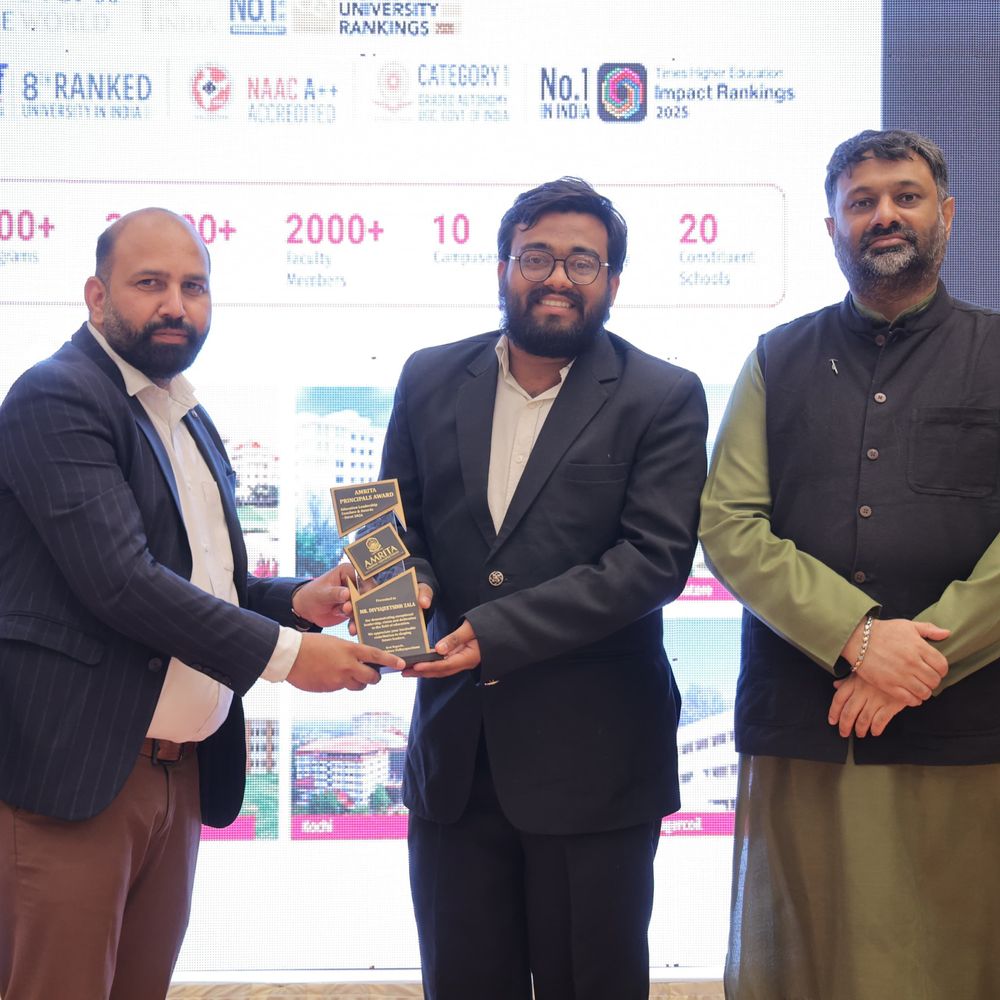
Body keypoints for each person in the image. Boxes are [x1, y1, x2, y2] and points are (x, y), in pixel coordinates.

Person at [0, 208, 403, 1000]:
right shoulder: (57, 396)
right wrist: (290, 657)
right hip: (81, 777)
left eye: (194, 286)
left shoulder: (183, 410)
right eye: (150, 283)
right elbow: (121, 581)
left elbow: (205, 584)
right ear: (96, 295)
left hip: (176, 777)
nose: (175, 306)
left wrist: (298, 602)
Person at [380, 177, 708, 999]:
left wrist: (498, 632)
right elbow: (385, 525)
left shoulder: (662, 395)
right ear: (503, 268)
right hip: (455, 761)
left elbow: (655, 559)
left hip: (596, 764)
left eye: (582, 262)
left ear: (613, 282)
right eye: (536, 257)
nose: (557, 277)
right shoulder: (427, 376)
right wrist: (402, 590)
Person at [700, 129, 1000, 999]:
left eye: (906, 196)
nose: (884, 216)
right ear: (831, 227)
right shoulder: (776, 358)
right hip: (806, 723)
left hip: (969, 729)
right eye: (861, 202)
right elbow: (729, 523)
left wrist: (919, 659)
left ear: (947, 214)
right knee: (806, 962)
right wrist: (859, 638)